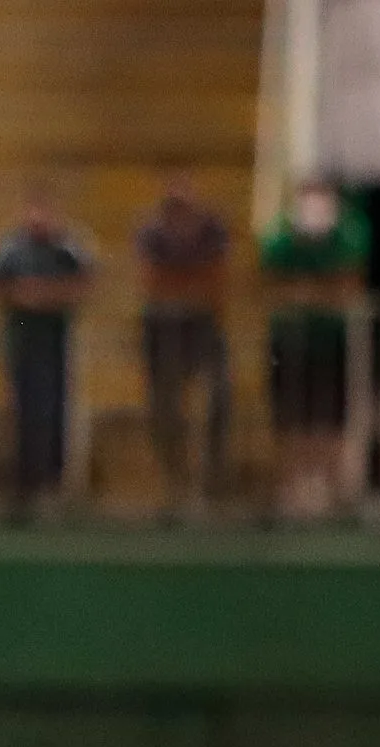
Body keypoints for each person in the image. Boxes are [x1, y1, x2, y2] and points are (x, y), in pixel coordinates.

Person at [260, 179, 370, 519]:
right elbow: (270, 288)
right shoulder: (280, 239)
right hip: (289, 344)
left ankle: (333, 492)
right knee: (291, 419)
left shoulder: (348, 235)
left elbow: (348, 286)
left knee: (331, 419)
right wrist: (316, 293)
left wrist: (306, 293)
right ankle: (293, 491)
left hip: (333, 344)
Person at [0, 186, 93, 514]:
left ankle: (52, 479)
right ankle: (23, 480)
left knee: (54, 406)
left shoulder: (67, 247)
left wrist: (49, 295)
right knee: (22, 407)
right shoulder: (11, 247)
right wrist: (21, 294)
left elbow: (86, 282)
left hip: (54, 334)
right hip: (21, 332)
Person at [135, 176, 232, 513]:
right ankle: (173, 481)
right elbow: (151, 282)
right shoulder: (151, 233)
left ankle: (210, 480)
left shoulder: (213, 231)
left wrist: (182, 285)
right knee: (165, 408)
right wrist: (189, 285)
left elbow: (218, 281)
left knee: (218, 397)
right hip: (162, 328)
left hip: (202, 327)